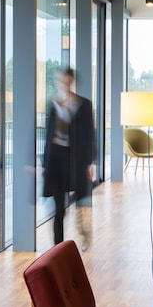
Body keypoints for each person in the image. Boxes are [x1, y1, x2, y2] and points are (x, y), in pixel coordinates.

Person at [42, 67, 96, 246]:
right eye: (60, 81)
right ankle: (58, 246)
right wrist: (44, 164)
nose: (63, 85)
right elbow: (48, 135)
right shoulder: (54, 105)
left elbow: (90, 135)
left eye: (66, 81)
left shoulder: (83, 105)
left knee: (80, 199)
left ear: (72, 82)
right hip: (56, 159)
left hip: (75, 159)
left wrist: (90, 162)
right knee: (59, 207)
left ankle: (83, 231)